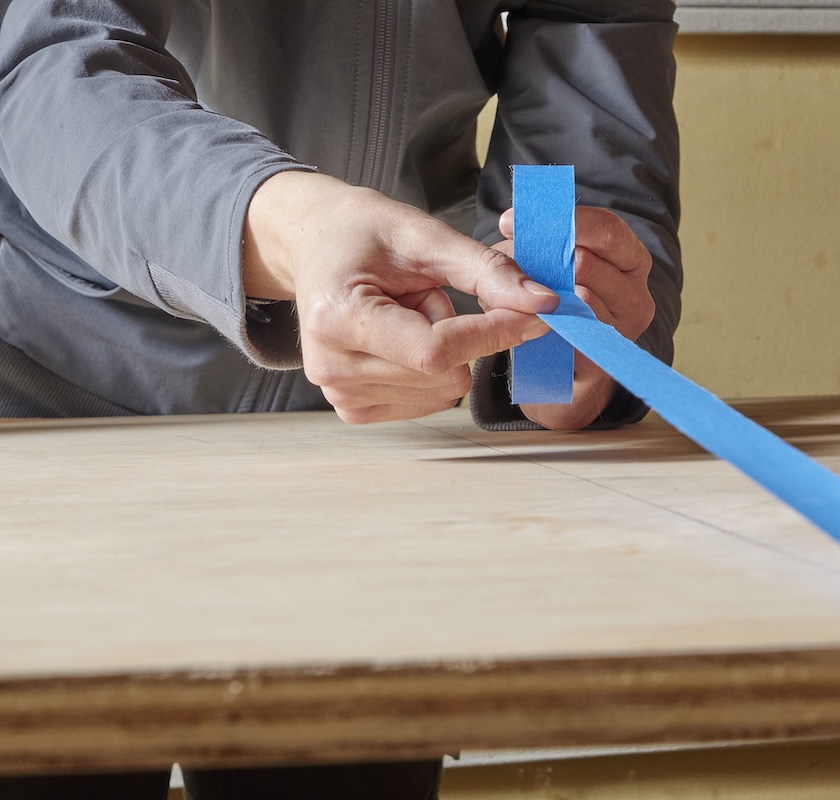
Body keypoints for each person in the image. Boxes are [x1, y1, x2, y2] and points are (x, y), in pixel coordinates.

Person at [0, 0, 681, 797]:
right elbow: (57, 72)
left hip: (356, 458)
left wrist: (557, 359)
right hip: (51, 432)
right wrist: (300, 229)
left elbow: (586, 114)